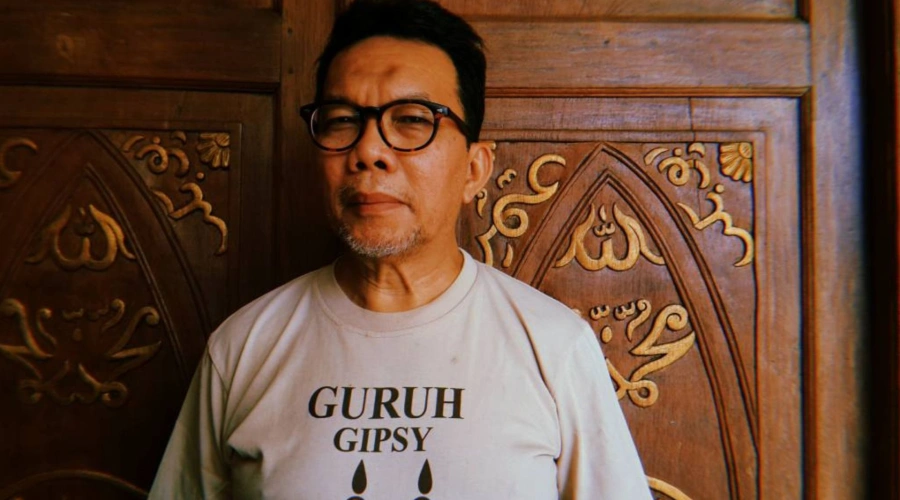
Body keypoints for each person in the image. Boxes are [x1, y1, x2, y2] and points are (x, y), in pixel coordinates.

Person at [149, 0, 651, 498]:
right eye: (342, 120)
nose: (368, 151)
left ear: (474, 169)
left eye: (411, 119)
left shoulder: (554, 347)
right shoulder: (242, 350)